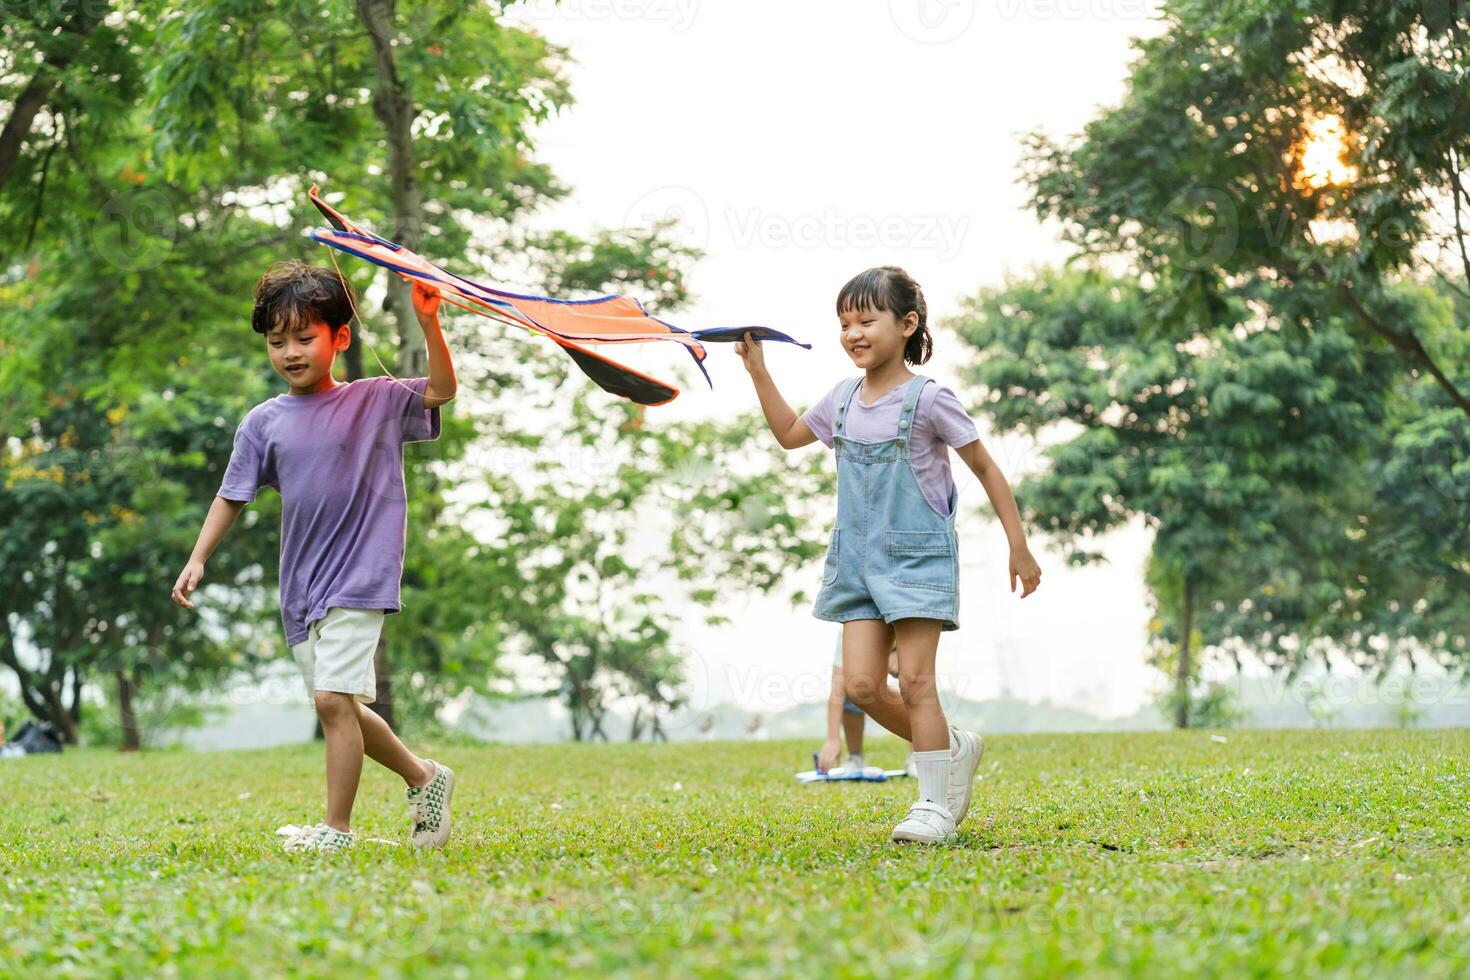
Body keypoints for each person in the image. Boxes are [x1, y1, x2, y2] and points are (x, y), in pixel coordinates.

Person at [737, 266, 1042, 844]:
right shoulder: (842, 399)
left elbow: (984, 467)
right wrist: (758, 371)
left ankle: (933, 806)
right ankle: (951, 747)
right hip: (855, 560)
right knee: (863, 686)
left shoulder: (930, 400)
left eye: (866, 320)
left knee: (919, 682)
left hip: (917, 558)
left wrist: (1017, 545)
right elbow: (789, 434)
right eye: (844, 323)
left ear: (907, 325)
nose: (853, 333)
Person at [171, 261, 459, 853]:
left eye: (305, 338)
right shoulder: (263, 423)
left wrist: (430, 323)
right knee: (342, 705)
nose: (290, 352)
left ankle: (337, 832)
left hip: (362, 573)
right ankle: (424, 778)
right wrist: (198, 557)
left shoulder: (375, 400)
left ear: (340, 337)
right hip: (302, 586)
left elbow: (441, 391)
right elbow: (232, 494)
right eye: (278, 342)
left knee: (332, 701)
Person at [817, 630, 914, 777]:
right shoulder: (849, 629)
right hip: (869, 657)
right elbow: (837, 690)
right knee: (851, 689)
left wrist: (899, 651)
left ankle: (918, 756)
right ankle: (855, 758)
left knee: (915, 683)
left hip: (904, 634)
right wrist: (832, 739)